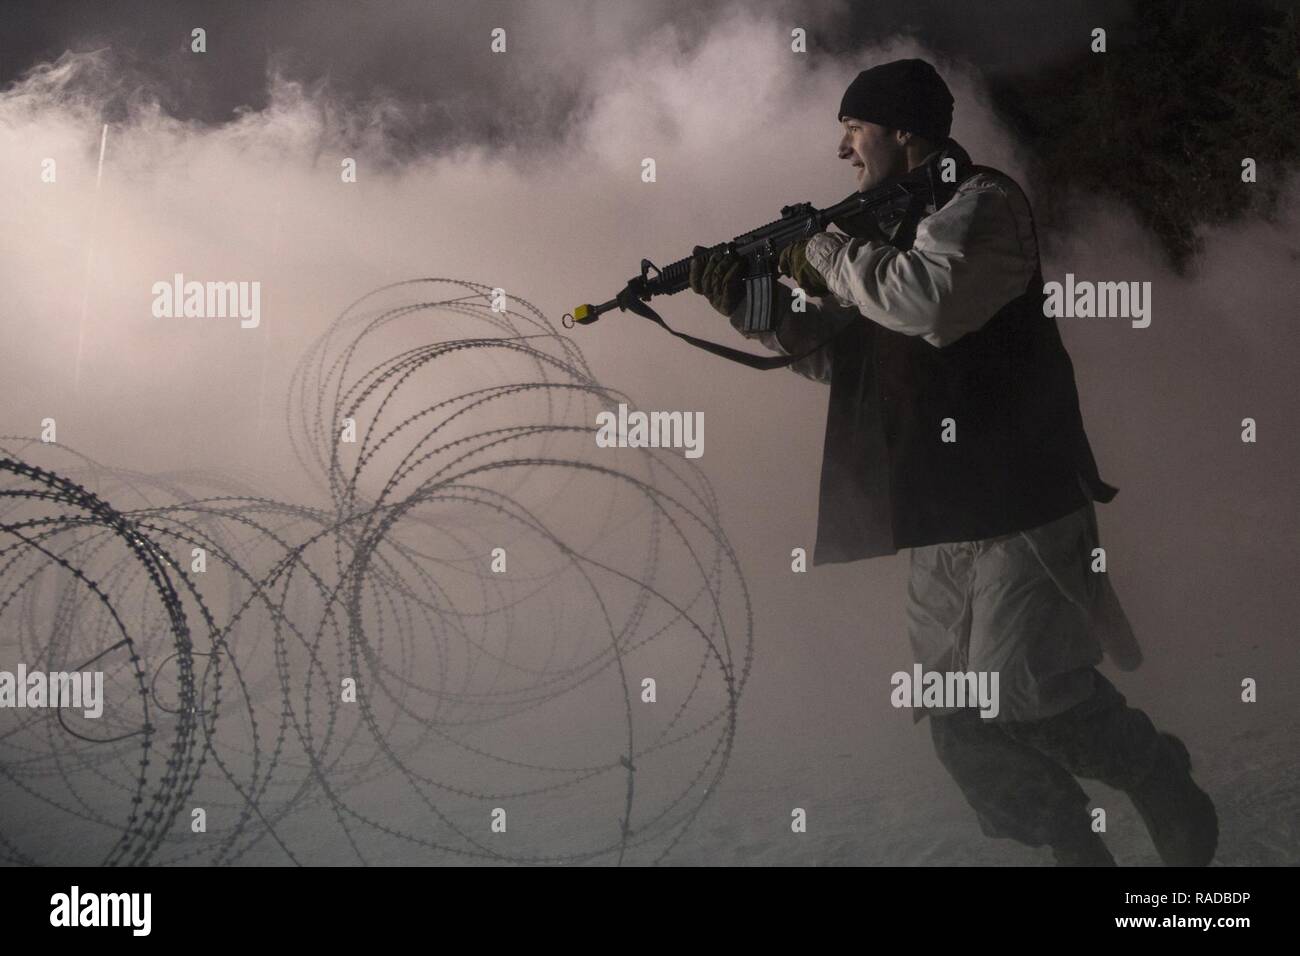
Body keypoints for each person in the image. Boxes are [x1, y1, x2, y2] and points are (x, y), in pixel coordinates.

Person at [688, 58, 1218, 866]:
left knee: (1033, 699)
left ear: (905, 130)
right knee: (958, 719)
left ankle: (1158, 778)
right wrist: (754, 310)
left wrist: (823, 249)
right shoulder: (885, 236)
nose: (842, 151)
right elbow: (851, 362)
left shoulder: (985, 205)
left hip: (1021, 503)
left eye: (853, 129)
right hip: (941, 513)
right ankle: (1071, 846)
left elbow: (923, 301)